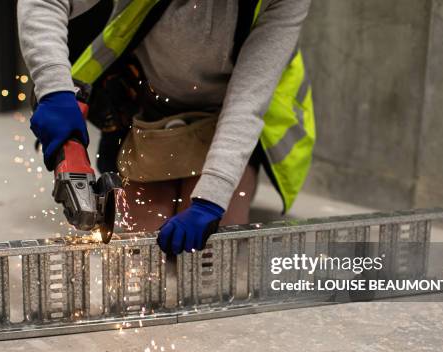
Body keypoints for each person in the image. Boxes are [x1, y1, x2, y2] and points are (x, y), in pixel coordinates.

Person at [18, 0, 316, 255]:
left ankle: (235, 179)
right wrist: (54, 90)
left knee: (212, 251)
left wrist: (211, 200)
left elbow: (246, 102)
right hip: (152, 107)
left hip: (225, 117)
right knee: (141, 243)